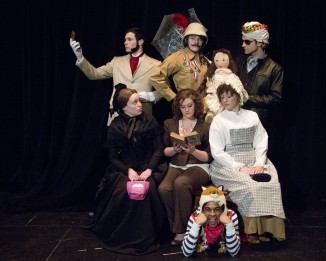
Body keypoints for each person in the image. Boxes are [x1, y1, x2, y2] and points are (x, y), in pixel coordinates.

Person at [87, 84, 165, 255]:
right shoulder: (115, 125)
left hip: (148, 166)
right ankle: (125, 235)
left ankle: (145, 237)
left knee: (147, 190)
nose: (140, 105)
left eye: (139, 101)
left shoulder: (149, 120)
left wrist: (149, 170)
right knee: (122, 191)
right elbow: (113, 157)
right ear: (124, 107)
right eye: (135, 102)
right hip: (125, 168)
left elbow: (159, 149)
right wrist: (128, 170)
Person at [209, 83, 286, 244]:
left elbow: (261, 140)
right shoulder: (219, 119)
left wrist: (259, 162)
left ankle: (268, 229)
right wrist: (240, 167)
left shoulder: (252, 116)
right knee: (250, 186)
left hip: (254, 158)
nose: (225, 100)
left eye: (229, 96)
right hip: (229, 162)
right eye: (222, 97)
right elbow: (217, 151)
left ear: (238, 96)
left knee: (271, 183)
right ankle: (251, 231)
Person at [70, 27, 162, 125]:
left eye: (129, 39)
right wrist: (79, 56)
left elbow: (165, 89)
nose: (125, 42)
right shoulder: (116, 61)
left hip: (143, 116)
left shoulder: (156, 64)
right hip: (119, 116)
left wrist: (151, 96)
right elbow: (94, 74)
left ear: (140, 42)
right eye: (125, 40)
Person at [158, 89, 212, 246]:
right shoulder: (170, 123)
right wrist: (174, 149)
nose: (187, 110)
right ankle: (179, 225)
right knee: (164, 188)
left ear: (196, 105)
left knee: (181, 183)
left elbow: (209, 157)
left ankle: (181, 232)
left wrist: (193, 150)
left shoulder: (205, 126)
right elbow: (165, 151)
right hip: (176, 164)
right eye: (183, 107)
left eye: (190, 105)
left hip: (198, 166)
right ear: (178, 108)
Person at [236, 21, 284, 162]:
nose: (243, 45)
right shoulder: (239, 61)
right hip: (236, 119)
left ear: (259, 43)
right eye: (243, 41)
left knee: (255, 160)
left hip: (259, 122)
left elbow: (276, 98)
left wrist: (247, 98)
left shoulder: (274, 68)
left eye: (247, 41)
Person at [150, 22, 209, 102]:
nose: (196, 42)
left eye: (200, 39)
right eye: (192, 38)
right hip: (185, 107)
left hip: (203, 107)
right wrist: (174, 97)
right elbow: (155, 77)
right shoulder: (177, 57)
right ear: (186, 40)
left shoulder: (205, 60)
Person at [181, 185, 240, 257]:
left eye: (217, 209)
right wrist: (196, 225)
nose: (212, 214)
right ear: (202, 210)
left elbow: (234, 252)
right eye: (207, 209)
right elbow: (186, 253)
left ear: (223, 209)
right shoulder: (196, 217)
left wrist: (229, 225)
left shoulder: (231, 215)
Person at [204, 48, 248, 123]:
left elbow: (237, 84)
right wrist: (211, 89)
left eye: (223, 60)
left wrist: (235, 90)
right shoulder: (214, 75)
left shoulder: (232, 75)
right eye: (217, 61)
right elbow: (211, 85)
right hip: (216, 94)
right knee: (212, 103)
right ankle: (211, 114)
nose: (220, 63)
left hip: (229, 94)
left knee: (229, 104)